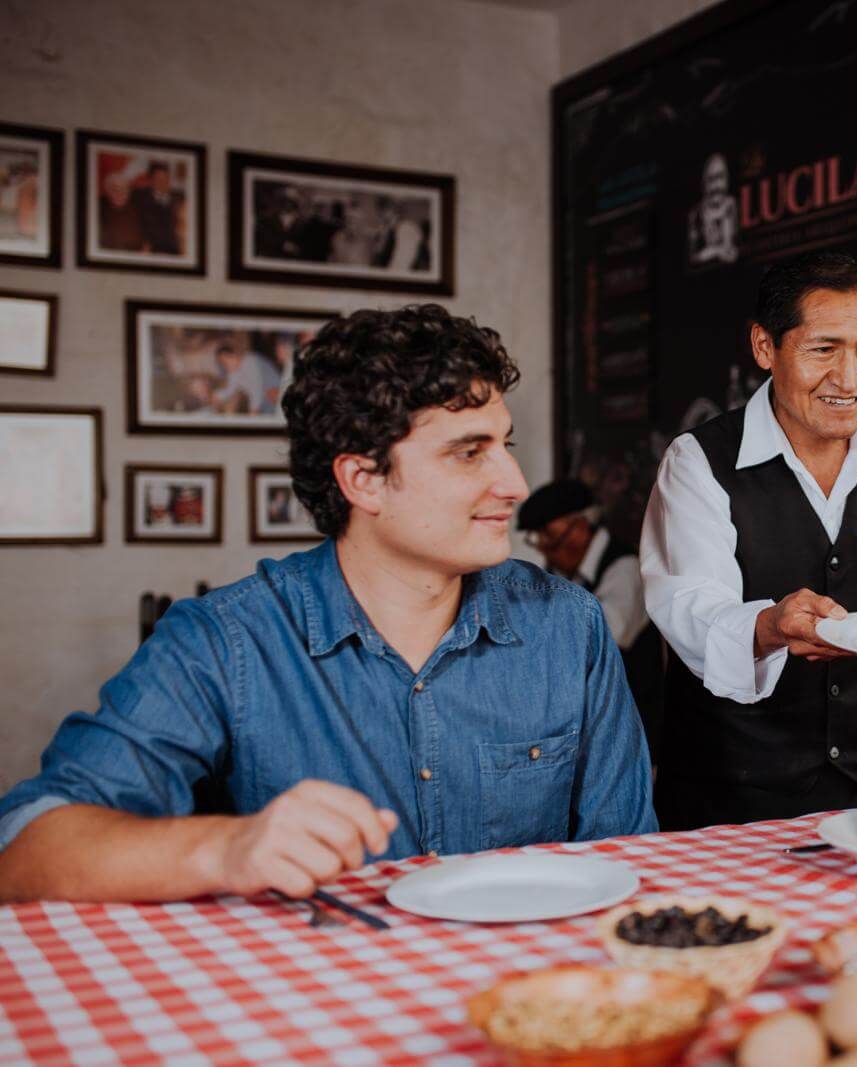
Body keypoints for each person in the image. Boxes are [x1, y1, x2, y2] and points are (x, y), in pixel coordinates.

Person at [0, 304, 655, 903]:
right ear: (363, 480)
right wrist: (227, 848)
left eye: (503, 444)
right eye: (469, 452)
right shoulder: (227, 640)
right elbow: (25, 847)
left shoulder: (570, 625)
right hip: (313, 1006)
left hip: (536, 998)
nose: (513, 484)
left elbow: (629, 861)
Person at [641, 251, 857, 829]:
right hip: (731, 800)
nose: (849, 379)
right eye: (824, 349)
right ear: (764, 347)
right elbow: (689, 608)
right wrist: (770, 625)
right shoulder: (699, 461)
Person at [519, 479, 663, 757]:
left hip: (630, 733)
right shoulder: (559, 575)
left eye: (550, 537)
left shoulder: (625, 568)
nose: (545, 550)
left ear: (580, 526)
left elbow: (602, 636)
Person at [211, 343, 280, 415]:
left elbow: (256, 387)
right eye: (222, 364)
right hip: (264, 403)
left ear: (234, 355)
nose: (225, 366)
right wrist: (218, 396)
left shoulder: (250, 360)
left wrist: (254, 409)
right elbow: (231, 389)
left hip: (275, 391)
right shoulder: (233, 371)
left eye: (225, 362)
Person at [132, 161, 181, 255]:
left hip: (175, 249)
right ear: (151, 181)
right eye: (158, 179)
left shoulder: (179, 197)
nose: (163, 182)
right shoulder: (139, 197)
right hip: (151, 249)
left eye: (166, 178)